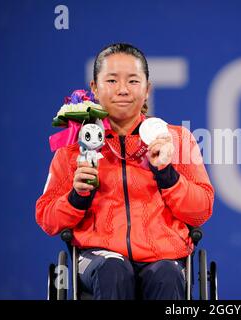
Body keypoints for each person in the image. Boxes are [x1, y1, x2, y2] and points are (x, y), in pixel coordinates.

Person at [36, 43, 214, 300]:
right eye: (111, 80)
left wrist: (167, 174)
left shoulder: (177, 140)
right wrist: (77, 197)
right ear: (94, 88)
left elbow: (201, 211)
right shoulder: (74, 148)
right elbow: (47, 217)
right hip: (99, 258)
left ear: (147, 89)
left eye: (133, 81)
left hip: (164, 256)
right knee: (114, 270)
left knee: (166, 274)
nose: (122, 90)